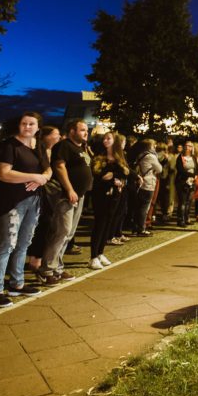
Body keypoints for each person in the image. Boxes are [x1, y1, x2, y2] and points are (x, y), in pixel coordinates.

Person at [0, 112, 50, 307]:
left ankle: (17, 283)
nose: (27, 127)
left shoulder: (38, 146)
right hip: (11, 202)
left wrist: (42, 178)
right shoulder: (10, 145)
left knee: (24, 244)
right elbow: (3, 173)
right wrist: (33, 177)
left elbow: (48, 168)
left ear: (38, 128)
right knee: (6, 245)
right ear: (18, 125)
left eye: (31, 124)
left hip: (33, 201)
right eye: (24, 123)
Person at [40, 119, 92, 285]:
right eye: (82, 130)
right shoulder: (64, 146)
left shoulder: (80, 147)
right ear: (72, 131)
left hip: (79, 195)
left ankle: (57, 267)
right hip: (65, 195)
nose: (86, 133)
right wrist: (69, 189)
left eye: (86, 130)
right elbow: (60, 167)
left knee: (68, 234)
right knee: (62, 231)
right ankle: (46, 269)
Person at [90, 132, 129, 269]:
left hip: (115, 196)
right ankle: (93, 256)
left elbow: (126, 172)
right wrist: (113, 177)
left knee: (108, 224)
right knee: (99, 224)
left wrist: (116, 176)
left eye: (109, 138)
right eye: (104, 138)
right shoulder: (99, 157)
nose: (105, 141)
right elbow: (99, 176)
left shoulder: (119, 157)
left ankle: (100, 252)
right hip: (101, 194)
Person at [26, 125, 61, 277]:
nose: (59, 137)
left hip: (50, 194)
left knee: (48, 225)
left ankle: (37, 257)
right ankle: (35, 258)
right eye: (56, 134)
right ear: (46, 136)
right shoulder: (39, 151)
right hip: (38, 192)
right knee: (40, 224)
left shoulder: (55, 151)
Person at [131, 138, 160, 236]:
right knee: (144, 207)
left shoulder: (141, 155)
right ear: (149, 146)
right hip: (148, 183)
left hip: (140, 182)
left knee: (138, 206)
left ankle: (135, 227)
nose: (155, 147)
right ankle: (141, 228)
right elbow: (159, 169)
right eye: (153, 145)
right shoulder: (151, 156)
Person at [175, 141, 198, 225]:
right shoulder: (180, 157)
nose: (188, 148)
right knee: (183, 201)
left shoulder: (193, 157)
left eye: (190, 146)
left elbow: (196, 168)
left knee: (189, 201)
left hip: (192, 182)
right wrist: (191, 175)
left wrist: (195, 175)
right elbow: (180, 170)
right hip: (182, 181)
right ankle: (181, 219)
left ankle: (187, 218)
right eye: (187, 146)